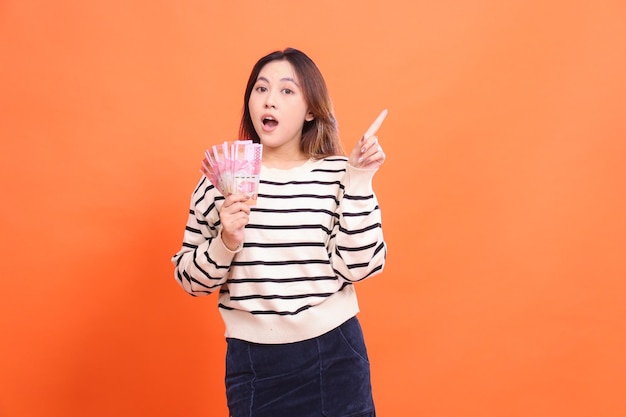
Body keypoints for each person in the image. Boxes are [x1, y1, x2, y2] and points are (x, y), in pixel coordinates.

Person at [171, 47, 388, 417]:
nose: (270, 100)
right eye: (261, 89)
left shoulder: (339, 173)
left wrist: (360, 179)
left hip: (334, 355)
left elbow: (362, 266)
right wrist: (225, 243)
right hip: (254, 365)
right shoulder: (219, 181)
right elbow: (190, 280)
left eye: (287, 91)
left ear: (310, 110)